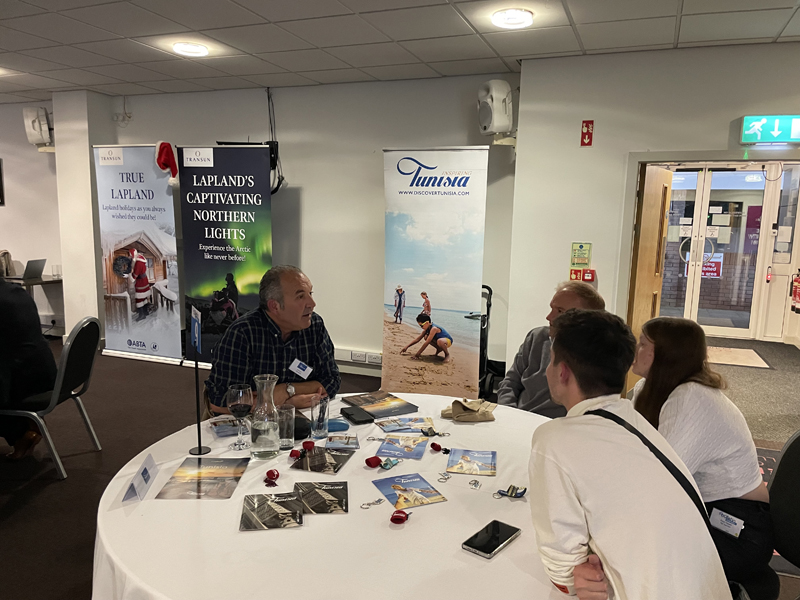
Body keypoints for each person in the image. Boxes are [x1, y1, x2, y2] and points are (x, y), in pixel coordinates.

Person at [529, 309, 729, 599]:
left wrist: (576, 573)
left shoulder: (554, 440)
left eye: (550, 360)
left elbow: (562, 571)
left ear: (562, 372)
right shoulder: (637, 424)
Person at [624, 317, 772, 591]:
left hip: (741, 527)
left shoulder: (691, 398)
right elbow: (628, 447)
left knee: (642, 552)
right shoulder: (648, 389)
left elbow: (661, 480)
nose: (635, 348)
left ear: (664, 355)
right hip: (703, 507)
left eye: (642, 343)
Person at [205, 265, 341, 414]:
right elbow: (220, 402)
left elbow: (331, 381)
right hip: (248, 424)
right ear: (274, 306)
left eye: (310, 293)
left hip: (303, 418)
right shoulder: (242, 334)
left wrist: (286, 390)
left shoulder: (314, 326)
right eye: (301, 296)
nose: (312, 303)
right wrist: (286, 404)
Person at [497, 281, 604, 418]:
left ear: (585, 319)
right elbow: (509, 383)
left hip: (558, 426)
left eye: (560, 311)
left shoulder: (596, 357)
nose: (549, 317)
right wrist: (509, 414)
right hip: (517, 418)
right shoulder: (536, 338)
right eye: (552, 308)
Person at [0, 277, 57, 459]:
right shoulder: (18, 292)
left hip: (21, 381)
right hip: (45, 374)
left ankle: (21, 433)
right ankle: (26, 429)